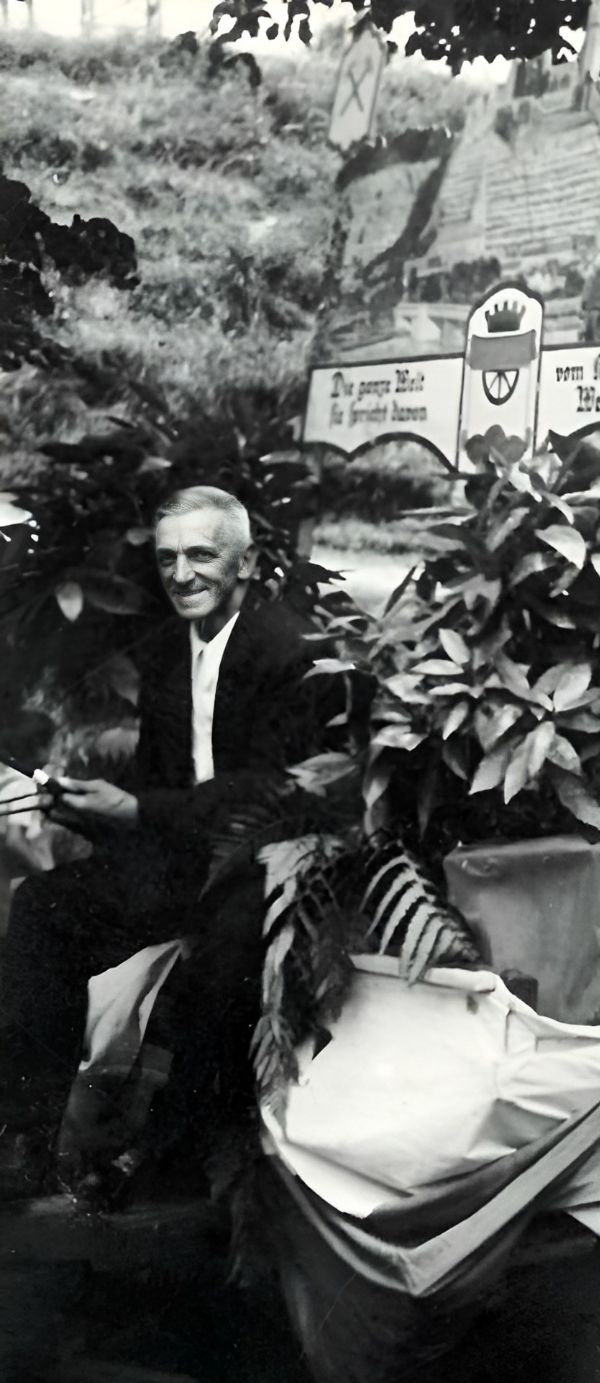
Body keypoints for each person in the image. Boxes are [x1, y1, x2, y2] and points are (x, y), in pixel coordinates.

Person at [0, 487, 344, 1193]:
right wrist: (84, 809)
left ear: (245, 564)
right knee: (42, 905)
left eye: (202, 555)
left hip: (266, 864)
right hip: (180, 857)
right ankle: (24, 1140)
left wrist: (138, 808)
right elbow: (158, 786)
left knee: (224, 959)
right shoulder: (164, 650)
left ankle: (174, 1156)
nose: (182, 573)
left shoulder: (290, 650)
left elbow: (273, 790)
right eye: (167, 558)